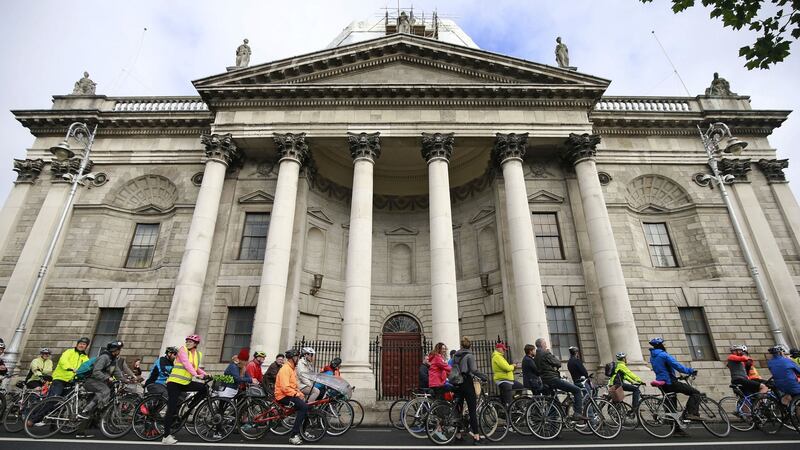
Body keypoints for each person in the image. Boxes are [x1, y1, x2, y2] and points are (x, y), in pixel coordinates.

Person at [162, 334, 209, 445]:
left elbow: (196, 368)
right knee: (172, 408)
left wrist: (206, 374)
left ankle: (190, 406)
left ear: (196, 344)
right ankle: (166, 437)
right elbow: (186, 364)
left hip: (185, 382)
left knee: (204, 388)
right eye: (187, 341)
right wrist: (196, 375)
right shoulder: (183, 350)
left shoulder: (198, 354)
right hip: (174, 382)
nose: (188, 343)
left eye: (190, 341)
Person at [76, 340, 125, 437]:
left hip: (99, 383)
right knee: (105, 390)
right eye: (119, 349)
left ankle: (80, 432)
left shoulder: (113, 360)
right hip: (90, 381)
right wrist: (107, 378)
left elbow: (117, 373)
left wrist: (126, 380)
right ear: (115, 350)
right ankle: (85, 411)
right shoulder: (104, 357)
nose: (120, 351)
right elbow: (96, 372)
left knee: (94, 407)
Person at [648, 337, 702, 421]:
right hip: (670, 382)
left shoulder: (652, 357)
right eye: (663, 343)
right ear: (660, 345)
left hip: (662, 383)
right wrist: (690, 371)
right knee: (696, 393)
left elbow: (661, 369)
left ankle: (677, 431)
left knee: (672, 408)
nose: (664, 345)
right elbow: (677, 366)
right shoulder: (664, 355)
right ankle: (691, 413)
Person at [535, 337, 587, 420]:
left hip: (545, 380)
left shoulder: (536, 356)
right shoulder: (545, 353)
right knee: (577, 390)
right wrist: (550, 354)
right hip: (553, 379)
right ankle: (577, 413)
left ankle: (554, 424)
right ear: (541, 344)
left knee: (553, 401)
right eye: (545, 343)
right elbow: (558, 363)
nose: (546, 345)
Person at [452, 337, 488, 444]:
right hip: (467, 383)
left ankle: (458, 435)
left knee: (458, 409)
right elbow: (473, 370)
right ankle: (476, 437)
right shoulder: (469, 355)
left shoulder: (455, 355)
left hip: (457, 383)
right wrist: (483, 376)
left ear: (461, 345)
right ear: (470, 345)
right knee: (472, 410)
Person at [275, 348, 306, 446]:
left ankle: (302, 432)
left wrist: (300, 393)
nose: (298, 359)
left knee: (306, 406)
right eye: (297, 357)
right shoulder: (285, 369)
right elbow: (285, 388)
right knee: (303, 407)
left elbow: (293, 386)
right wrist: (297, 394)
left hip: (288, 394)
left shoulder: (292, 368)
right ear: (292, 358)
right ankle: (293, 436)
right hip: (282, 396)